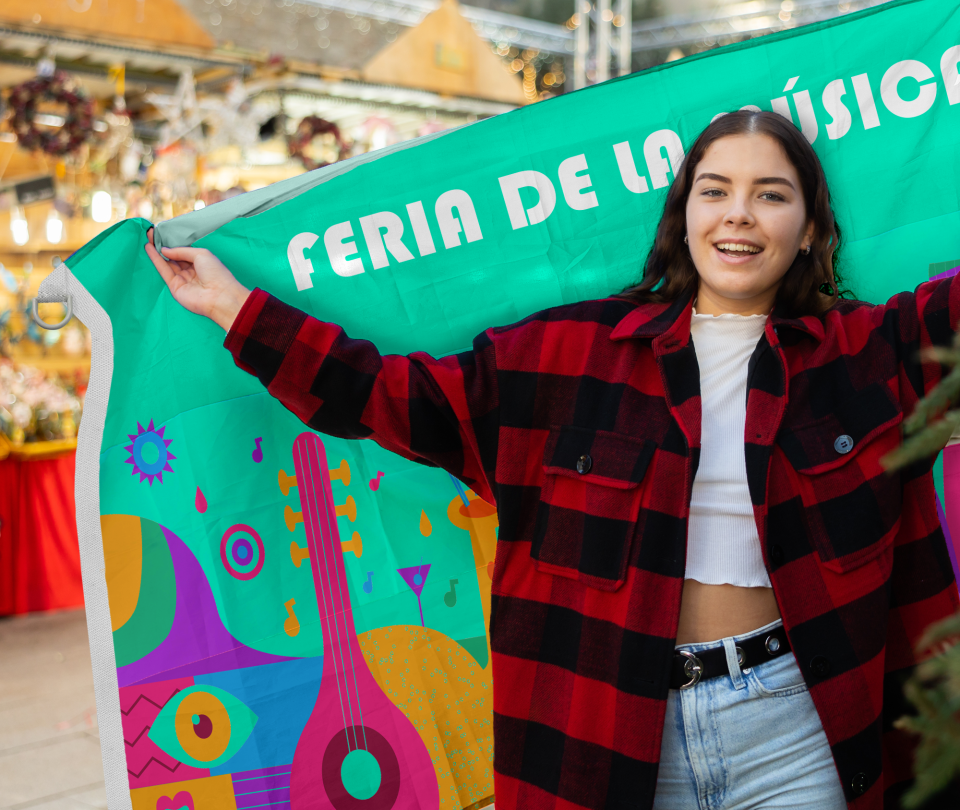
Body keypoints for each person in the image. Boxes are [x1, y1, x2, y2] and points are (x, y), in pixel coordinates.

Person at [146, 110, 959, 810]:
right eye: (715, 190)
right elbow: (394, 398)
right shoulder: (571, 354)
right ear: (683, 216)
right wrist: (234, 308)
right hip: (613, 734)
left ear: (810, 226)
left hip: (798, 725)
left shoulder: (870, 354)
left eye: (771, 195)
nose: (738, 215)